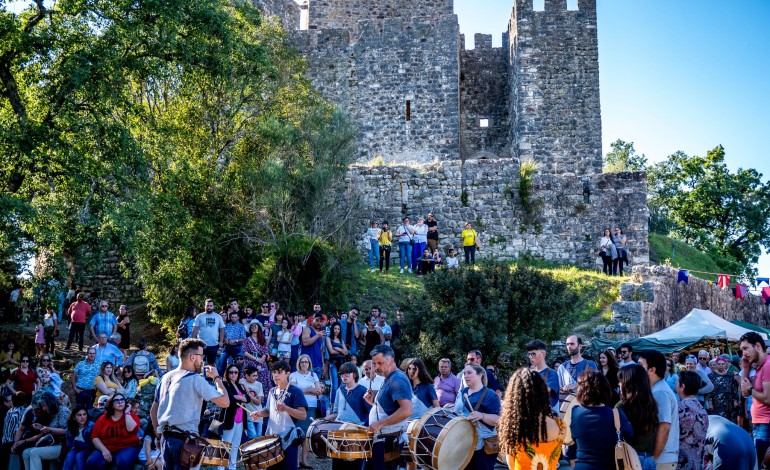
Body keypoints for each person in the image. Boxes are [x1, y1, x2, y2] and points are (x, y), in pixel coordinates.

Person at [151, 337, 230, 470]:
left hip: (166, 438)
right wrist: (217, 378)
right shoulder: (195, 379)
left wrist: (158, 435)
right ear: (192, 357)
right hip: (185, 443)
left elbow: (153, 410)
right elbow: (225, 402)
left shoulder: (165, 377)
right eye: (201, 356)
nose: (202, 360)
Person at [499, 368, 564, 470]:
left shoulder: (515, 428)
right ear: (543, 393)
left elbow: (512, 465)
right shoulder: (560, 426)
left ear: (514, 396)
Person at [251, 360, 308, 470]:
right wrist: (260, 413)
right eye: (274, 372)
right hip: (272, 439)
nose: (275, 375)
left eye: (279, 372)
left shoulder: (296, 391)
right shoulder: (272, 391)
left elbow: (303, 415)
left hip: (289, 439)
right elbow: (269, 410)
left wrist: (286, 408)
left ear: (288, 373)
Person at [570, 370, 633, 469]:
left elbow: (573, 437)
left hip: (582, 466)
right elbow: (630, 435)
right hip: (609, 465)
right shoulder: (615, 414)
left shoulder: (575, 412)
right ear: (605, 389)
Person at [364, 345, 412, 470]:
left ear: (391, 361)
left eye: (380, 363)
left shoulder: (398, 379)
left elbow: (406, 410)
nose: (376, 367)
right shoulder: (388, 379)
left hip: (389, 442)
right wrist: (373, 402)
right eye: (374, 363)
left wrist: (380, 424)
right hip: (382, 440)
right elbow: (390, 408)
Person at [454, 362, 500, 470]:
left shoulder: (490, 394)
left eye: (469, 373)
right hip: (463, 443)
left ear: (480, 375)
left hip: (483, 446)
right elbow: (458, 412)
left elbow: (498, 420)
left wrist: (482, 415)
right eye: (464, 373)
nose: (465, 376)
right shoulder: (461, 392)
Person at [638, 349, 679, 469]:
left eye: (640, 365)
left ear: (652, 370)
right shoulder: (655, 389)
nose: (637, 369)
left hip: (662, 458)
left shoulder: (660, 392)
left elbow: (664, 426)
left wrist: (654, 457)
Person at [327, 361, 372, 470]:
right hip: (339, 432)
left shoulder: (362, 390)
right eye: (342, 374)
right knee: (337, 464)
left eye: (347, 373)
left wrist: (364, 427)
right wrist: (323, 420)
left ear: (355, 375)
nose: (344, 376)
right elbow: (336, 412)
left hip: (356, 433)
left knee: (354, 464)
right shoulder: (340, 389)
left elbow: (370, 412)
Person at [616, 364, 658, 469]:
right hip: (648, 458)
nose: (619, 384)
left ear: (629, 383)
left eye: (621, 381)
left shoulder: (622, 406)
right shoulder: (650, 403)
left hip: (629, 459)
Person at [739, 330, 770, 464]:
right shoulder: (759, 367)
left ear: (757, 346)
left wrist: (751, 389)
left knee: (762, 463)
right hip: (759, 423)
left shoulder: (768, 366)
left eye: (745, 348)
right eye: (741, 350)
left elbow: (768, 399)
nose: (743, 354)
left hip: (766, 424)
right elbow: (744, 393)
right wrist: (746, 368)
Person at [86, 393, 140, 469]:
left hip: (127, 446)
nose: (120, 402)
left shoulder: (132, 416)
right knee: (92, 462)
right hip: (106, 447)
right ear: (111, 404)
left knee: (123, 462)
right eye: (116, 401)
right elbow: (95, 436)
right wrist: (104, 450)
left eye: (122, 400)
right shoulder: (103, 418)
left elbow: (131, 429)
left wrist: (127, 413)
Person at [21, 390, 70, 470]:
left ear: (50, 403)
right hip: (52, 444)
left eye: (44, 405)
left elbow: (66, 431)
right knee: (26, 453)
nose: (43, 408)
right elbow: (52, 429)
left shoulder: (63, 411)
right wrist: (42, 427)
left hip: (62, 445)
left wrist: (49, 429)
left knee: (34, 453)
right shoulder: (52, 413)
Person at [290, 354, 322, 469]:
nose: (304, 364)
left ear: (309, 364)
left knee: (307, 435)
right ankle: (296, 461)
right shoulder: (294, 375)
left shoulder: (314, 375)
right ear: (298, 363)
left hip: (312, 407)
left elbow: (318, 390)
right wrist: (309, 390)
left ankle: (304, 461)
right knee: (298, 434)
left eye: (306, 362)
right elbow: (294, 391)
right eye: (302, 362)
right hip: (299, 407)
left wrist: (312, 391)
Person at [217, 364, 249, 470]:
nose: (233, 374)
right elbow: (230, 398)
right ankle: (221, 468)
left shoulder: (239, 385)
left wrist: (239, 397)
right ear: (227, 373)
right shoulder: (225, 384)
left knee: (235, 446)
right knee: (225, 445)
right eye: (231, 372)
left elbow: (248, 398)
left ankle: (232, 467)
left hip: (240, 419)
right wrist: (241, 397)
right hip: (230, 418)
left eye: (236, 372)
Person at [676, 370, 709, 470]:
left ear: (683, 386)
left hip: (681, 462)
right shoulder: (702, 409)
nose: (675, 384)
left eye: (677, 382)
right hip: (698, 462)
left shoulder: (680, 408)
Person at [526, 340, 560, 414]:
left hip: (548, 415)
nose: (530, 357)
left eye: (533, 354)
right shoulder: (529, 373)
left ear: (543, 354)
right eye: (529, 354)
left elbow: (544, 390)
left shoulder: (552, 373)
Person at [190, 298, 225, 367]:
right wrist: (193, 342)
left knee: (211, 364)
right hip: (201, 344)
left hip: (214, 344)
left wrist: (221, 341)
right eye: (207, 305)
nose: (209, 307)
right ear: (205, 306)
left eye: (210, 306)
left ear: (213, 306)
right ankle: (198, 377)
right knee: (198, 363)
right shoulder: (199, 316)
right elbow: (194, 329)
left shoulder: (218, 317)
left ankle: (210, 377)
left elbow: (222, 329)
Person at [706, 355, 740, 422]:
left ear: (725, 364)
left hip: (729, 403)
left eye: (722, 364)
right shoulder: (711, 376)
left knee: (729, 421)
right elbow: (709, 391)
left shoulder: (730, 375)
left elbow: (734, 389)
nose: (721, 365)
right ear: (716, 365)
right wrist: (710, 403)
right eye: (719, 364)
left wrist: (735, 401)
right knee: (718, 421)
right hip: (716, 403)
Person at [243, 319, 272, 394]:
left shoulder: (262, 340)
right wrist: (256, 359)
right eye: (251, 326)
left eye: (255, 326)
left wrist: (261, 360)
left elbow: (266, 351)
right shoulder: (247, 340)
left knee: (263, 381)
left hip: (262, 362)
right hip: (250, 362)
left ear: (258, 327)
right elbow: (245, 352)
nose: (253, 327)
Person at [62, 405, 93, 470]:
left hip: (89, 449)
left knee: (79, 456)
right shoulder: (70, 427)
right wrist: (75, 447)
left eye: (84, 414)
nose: (82, 417)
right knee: (70, 455)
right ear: (74, 417)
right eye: (79, 415)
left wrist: (79, 444)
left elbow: (91, 445)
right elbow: (69, 443)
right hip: (76, 448)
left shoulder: (91, 426)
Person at [326, 322, 348, 405]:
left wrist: (339, 349)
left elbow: (346, 352)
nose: (337, 330)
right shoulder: (328, 338)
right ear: (332, 329)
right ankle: (332, 404)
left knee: (341, 385)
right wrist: (341, 351)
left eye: (338, 329)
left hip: (342, 364)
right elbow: (331, 351)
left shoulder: (341, 340)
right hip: (334, 363)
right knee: (334, 385)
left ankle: (340, 403)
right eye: (335, 328)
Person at [218, 310, 247, 375]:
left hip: (237, 347)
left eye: (235, 317)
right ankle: (221, 377)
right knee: (221, 360)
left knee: (238, 364)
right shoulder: (227, 325)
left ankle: (238, 378)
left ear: (238, 318)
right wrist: (225, 339)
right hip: (227, 347)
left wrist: (235, 340)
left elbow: (244, 338)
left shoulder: (241, 326)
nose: (234, 318)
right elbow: (224, 335)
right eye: (232, 317)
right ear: (230, 318)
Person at [240, 365, 265, 440]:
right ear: (247, 376)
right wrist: (244, 385)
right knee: (252, 438)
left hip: (259, 415)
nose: (256, 377)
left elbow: (258, 402)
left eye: (257, 375)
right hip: (248, 416)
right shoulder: (242, 382)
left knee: (259, 438)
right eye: (253, 376)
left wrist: (248, 394)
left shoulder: (259, 384)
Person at [301, 312, 327, 380]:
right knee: (307, 386)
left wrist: (323, 364)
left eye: (321, 321)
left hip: (318, 365)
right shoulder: (308, 329)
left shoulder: (320, 334)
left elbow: (321, 350)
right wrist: (317, 336)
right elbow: (305, 343)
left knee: (316, 388)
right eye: (317, 320)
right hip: (307, 365)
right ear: (312, 320)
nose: (319, 323)